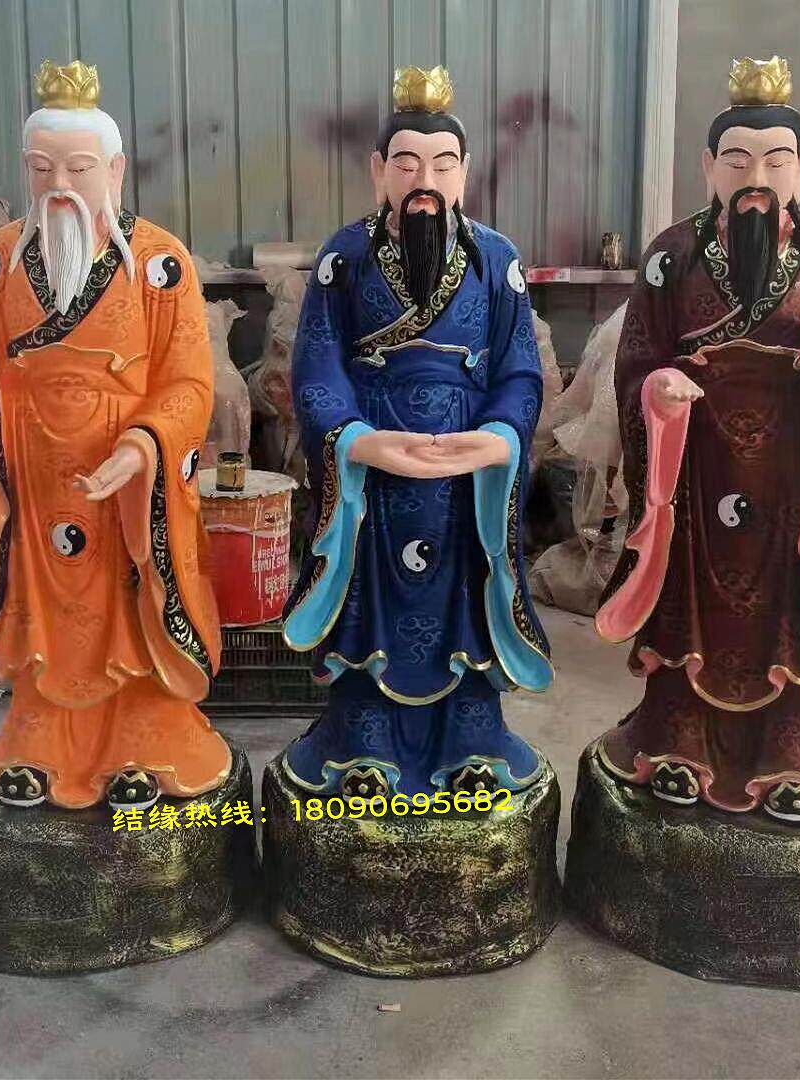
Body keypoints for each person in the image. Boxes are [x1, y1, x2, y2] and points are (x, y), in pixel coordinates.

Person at [0, 59, 229, 810]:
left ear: (115, 171)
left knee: (132, 608)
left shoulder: (160, 263)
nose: (59, 185)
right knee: (47, 619)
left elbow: (191, 384)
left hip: (128, 485)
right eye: (41, 168)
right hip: (34, 476)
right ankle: (41, 739)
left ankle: (142, 739)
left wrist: (143, 446)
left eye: (79, 168)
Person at [594, 57, 800, 823]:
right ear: (708, 167)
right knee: (688, 600)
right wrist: (658, 392)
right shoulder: (671, 256)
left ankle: (792, 748)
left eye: (775, 159)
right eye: (736, 160)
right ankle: (677, 737)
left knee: (791, 603)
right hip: (695, 461)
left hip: (792, 472)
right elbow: (637, 359)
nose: (756, 176)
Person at [281, 65, 553, 798]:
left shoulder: (497, 259)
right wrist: (352, 439)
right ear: (378, 172)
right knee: (371, 606)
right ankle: (362, 739)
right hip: (375, 466)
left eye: (441, 164)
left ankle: (471, 736)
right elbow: (317, 365)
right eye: (406, 164)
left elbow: (520, 369)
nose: (424, 181)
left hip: (465, 471)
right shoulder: (344, 258)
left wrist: (501, 437)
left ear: (465, 173)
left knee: (464, 599)